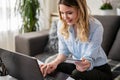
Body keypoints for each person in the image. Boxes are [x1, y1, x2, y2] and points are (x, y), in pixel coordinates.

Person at [40, 0, 113, 80]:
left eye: (69, 13)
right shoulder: (61, 24)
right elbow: (63, 53)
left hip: (100, 69)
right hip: (78, 66)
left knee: (77, 73)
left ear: (80, 10)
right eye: (62, 13)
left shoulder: (96, 27)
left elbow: (90, 58)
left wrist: (86, 64)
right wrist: (54, 63)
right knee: (56, 67)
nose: (65, 17)